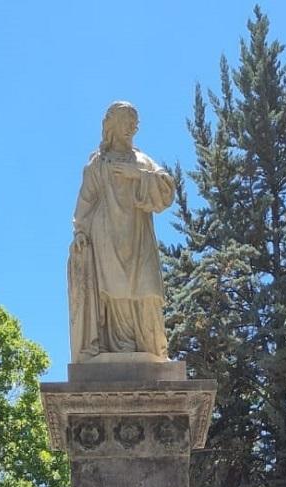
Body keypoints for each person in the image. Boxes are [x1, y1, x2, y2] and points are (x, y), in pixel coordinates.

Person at [68, 100, 175, 362]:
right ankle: (120, 348)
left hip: (139, 238)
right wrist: (81, 231)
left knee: (147, 291)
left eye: (134, 123)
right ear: (112, 126)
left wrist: (137, 174)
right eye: (126, 122)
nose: (132, 128)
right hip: (107, 237)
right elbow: (86, 199)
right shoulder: (98, 164)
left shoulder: (142, 160)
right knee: (115, 293)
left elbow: (165, 192)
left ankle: (150, 348)